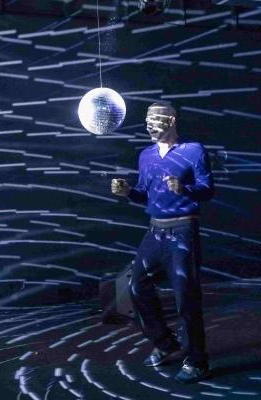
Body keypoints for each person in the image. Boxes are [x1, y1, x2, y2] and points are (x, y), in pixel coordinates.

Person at [111, 102, 214, 384]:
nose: (148, 124)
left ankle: (197, 361)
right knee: (136, 287)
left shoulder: (193, 150)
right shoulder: (146, 156)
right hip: (155, 231)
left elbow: (208, 190)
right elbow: (145, 194)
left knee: (186, 298)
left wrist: (185, 188)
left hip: (183, 231)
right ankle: (167, 345)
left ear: (171, 120)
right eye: (146, 120)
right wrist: (128, 191)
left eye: (154, 119)